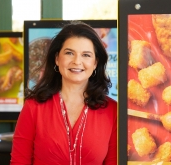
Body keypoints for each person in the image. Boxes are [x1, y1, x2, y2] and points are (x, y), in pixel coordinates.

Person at [10, 20, 117, 165]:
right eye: (69, 53)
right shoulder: (34, 107)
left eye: (86, 55)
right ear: (57, 59)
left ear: (96, 63)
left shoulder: (112, 110)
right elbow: (19, 161)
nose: (77, 61)